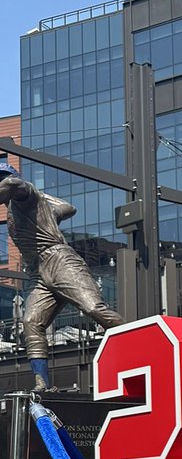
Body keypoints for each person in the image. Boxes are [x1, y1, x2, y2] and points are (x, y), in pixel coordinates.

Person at [0, 163, 123, 390]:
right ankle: (42, 383)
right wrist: (46, 210)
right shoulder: (26, 207)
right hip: (37, 270)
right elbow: (67, 207)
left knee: (94, 309)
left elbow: (12, 183)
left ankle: (141, 340)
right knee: (31, 323)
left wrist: (36, 200)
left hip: (59, 259)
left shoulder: (23, 194)